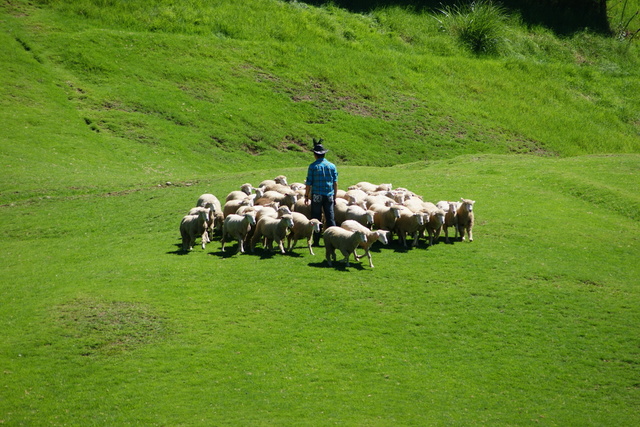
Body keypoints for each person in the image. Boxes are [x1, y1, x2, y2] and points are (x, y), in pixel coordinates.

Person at [304, 139, 338, 244]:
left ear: (315, 154)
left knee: (316, 216)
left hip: (317, 195)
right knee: (330, 217)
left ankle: (316, 240)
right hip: (329, 195)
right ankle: (334, 239)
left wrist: (306, 195)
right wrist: (335, 196)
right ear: (324, 154)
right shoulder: (332, 166)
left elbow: (309, 182)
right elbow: (335, 183)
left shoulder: (313, 166)